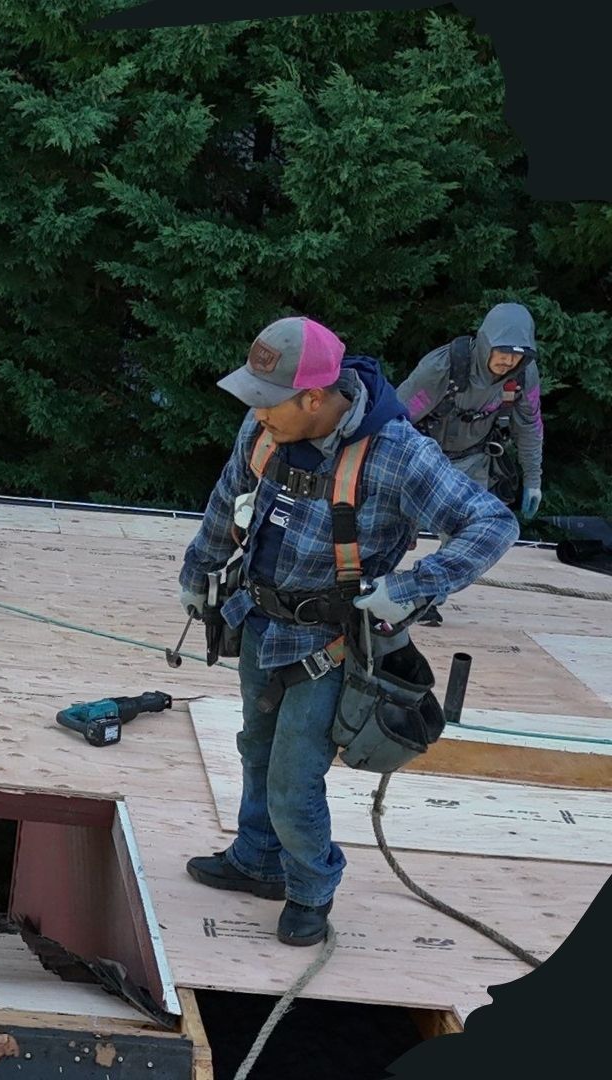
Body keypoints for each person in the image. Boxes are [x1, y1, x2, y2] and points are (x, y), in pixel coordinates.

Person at [177, 316, 517, 947]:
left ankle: (310, 890)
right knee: (256, 749)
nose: (257, 413)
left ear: (313, 398)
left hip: (331, 646)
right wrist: (198, 572)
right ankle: (257, 858)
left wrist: (412, 587)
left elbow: (493, 525)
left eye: (269, 400)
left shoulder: (397, 454)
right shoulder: (265, 429)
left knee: (293, 781)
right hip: (259, 622)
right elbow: (228, 498)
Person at [399, 301, 545, 519]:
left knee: (470, 530)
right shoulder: (443, 367)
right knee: (412, 531)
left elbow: (529, 426)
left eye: (517, 355)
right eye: (503, 351)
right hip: (423, 461)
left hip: (475, 462)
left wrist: (533, 481)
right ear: (486, 344)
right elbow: (397, 418)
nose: (508, 361)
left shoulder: (523, 375)